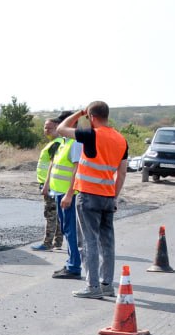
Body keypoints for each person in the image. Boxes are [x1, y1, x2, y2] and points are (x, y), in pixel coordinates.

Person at [57, 102, 128, 299]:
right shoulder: (121, 140)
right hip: (107, 197)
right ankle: (107, 284)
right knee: (107, 243)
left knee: (88, 242)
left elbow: (61, 129)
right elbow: (122, 173)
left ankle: (92, 286)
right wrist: (114, 196)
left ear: (91, 116)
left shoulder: (91, 134)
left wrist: (78, 114)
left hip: (88, 196)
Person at [45, 111, 83, 283]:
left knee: (70, 230)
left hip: (69, 195)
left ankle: (74, 266)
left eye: (63, 123)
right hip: (60, 194)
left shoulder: (75, 143)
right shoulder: (64, 143)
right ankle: (70, 264)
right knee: (67, 230)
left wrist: (69, 194)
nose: (59, 127)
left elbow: (77, 170)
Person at [31, 117, 64, 251]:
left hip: (50, 184)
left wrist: (46, 184)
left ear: (57, 127)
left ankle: (47, 243)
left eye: (49, 127)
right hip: (52, 183)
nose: (46, 130)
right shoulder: (57, 142)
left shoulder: (56, 143)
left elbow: (53, 165)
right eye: (45, 127)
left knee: (50, 214)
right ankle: (57, 241)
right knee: (56, 214)